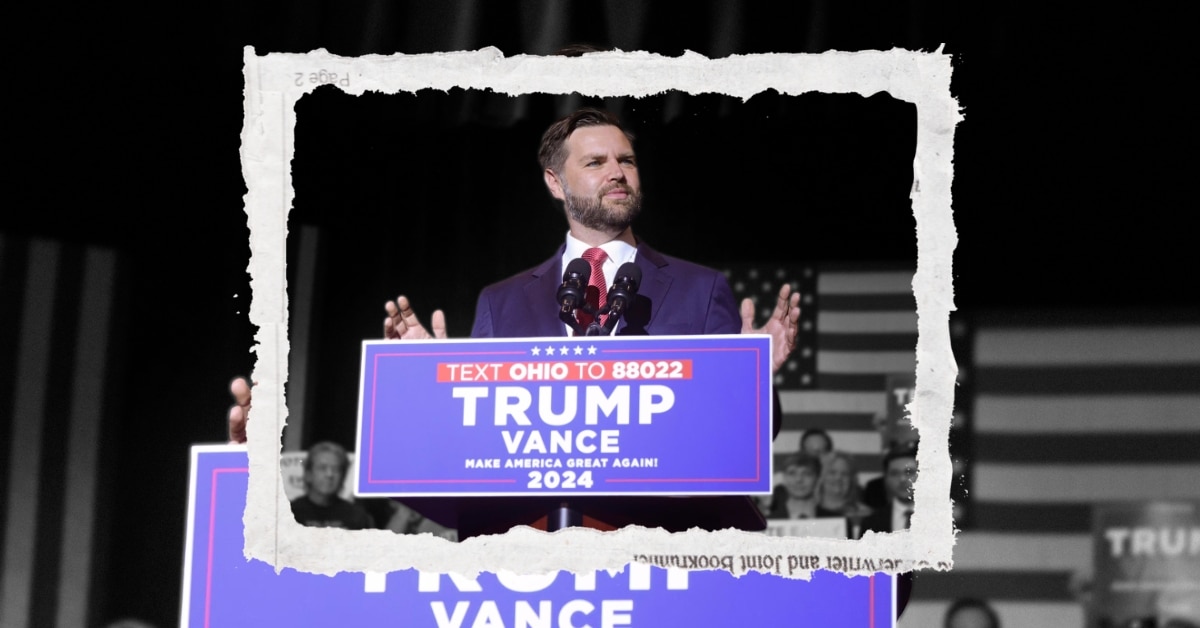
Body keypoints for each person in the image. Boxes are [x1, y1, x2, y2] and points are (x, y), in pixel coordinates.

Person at [229, 107, 800, 441]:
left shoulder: (701, 289)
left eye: (626, 160)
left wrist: (755, 380)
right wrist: (437, 384)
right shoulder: (502, 302)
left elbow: (749, 435)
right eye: (596, 162)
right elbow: (475, 438)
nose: (618, 172)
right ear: (555, 182)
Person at [289, 441, 375, 530]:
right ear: (308, 474)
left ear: (343, 476)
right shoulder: (290, 513)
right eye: (322, 468)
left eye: (336, 469)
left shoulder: (357, 516)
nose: (329, 474)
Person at [861, 440, 918, 533]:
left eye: (909, 472)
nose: (902, 479)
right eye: (895, 473)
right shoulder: (871, 523)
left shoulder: (941, 517)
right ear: (886, 478)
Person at [816, 450, 873, 538]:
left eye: (845, 474)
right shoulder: (809, 512)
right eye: (832, 472)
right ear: (820, 477)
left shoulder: (866, 514)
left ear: (852, 479)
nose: (838, 478)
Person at [767, 452, 823, 520]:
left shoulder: (833, 518)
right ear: (784, 477)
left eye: (806, 474)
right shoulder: (768, 521)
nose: (799, 479)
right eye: (792, 473)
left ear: (818, 479)